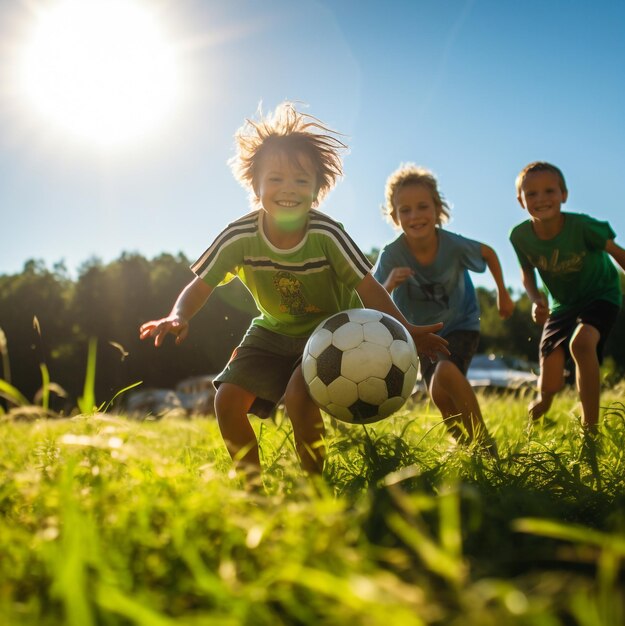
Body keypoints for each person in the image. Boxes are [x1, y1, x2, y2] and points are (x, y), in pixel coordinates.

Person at [139, 103, 448, 480]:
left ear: (318, 189)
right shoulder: (239, 236)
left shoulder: (327, 234)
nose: (289, 190)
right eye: (276, 179)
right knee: (227, 400)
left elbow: (369, 288)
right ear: (256, 186)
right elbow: (200, 284)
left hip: (331, 332)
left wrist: (407, 330)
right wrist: (179, 315)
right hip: (271, 331)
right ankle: (251, 487)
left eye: (302, 181)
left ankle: (314, 488)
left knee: (300, 399)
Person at [374, 164, 514, 451]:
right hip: (422, 334)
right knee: (438, 392)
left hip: (461, 323)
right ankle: (467, 447)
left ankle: (486, 445)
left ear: (438, 209)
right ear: (395, 216)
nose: (415, 216)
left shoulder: (452, 244)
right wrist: (389, 283)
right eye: (406, 210)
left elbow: (488, 253)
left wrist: (503, 292)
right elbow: (374, 297)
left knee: (446, 373)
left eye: (422, 206)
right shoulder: (392, 254)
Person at [510, 161, 625, 432]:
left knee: (582, 344)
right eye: (532, 194)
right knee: (549, 384)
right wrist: (536, 299)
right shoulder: (520, 236)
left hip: (601, 293)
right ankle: (543, 402)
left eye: (549, 191)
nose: (541, 199)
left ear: (564, 194)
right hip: (561, 305)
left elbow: (617, 253)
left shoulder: (583, 227)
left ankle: (590, 431)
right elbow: (526, 273)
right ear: (520, 200)